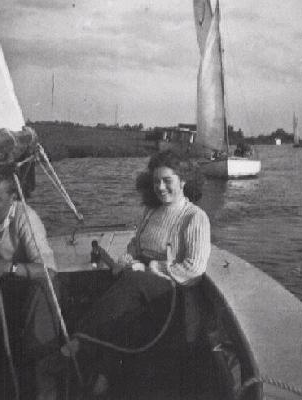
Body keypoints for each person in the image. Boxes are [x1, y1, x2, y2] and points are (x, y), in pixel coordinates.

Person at [62, 150, 211, 395]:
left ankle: (83, 339)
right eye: (155, 182)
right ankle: (103, 376)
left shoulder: (195, 217)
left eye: (167, 181)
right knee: (111, 284)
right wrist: (126, 260)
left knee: (132, 280)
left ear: (183, 181)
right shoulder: (152, 212)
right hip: (141, 288)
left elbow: (193, 270)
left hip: (172, 295)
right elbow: (135, 246)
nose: (160, 187)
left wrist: (150, 268)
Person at [0, 163, 59, 399]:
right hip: (1, 285)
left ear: (12, 196)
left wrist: (8, 267)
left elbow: (47, 270)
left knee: (44, 288)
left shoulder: (26, 217)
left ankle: (39, 371)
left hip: (27, 284)